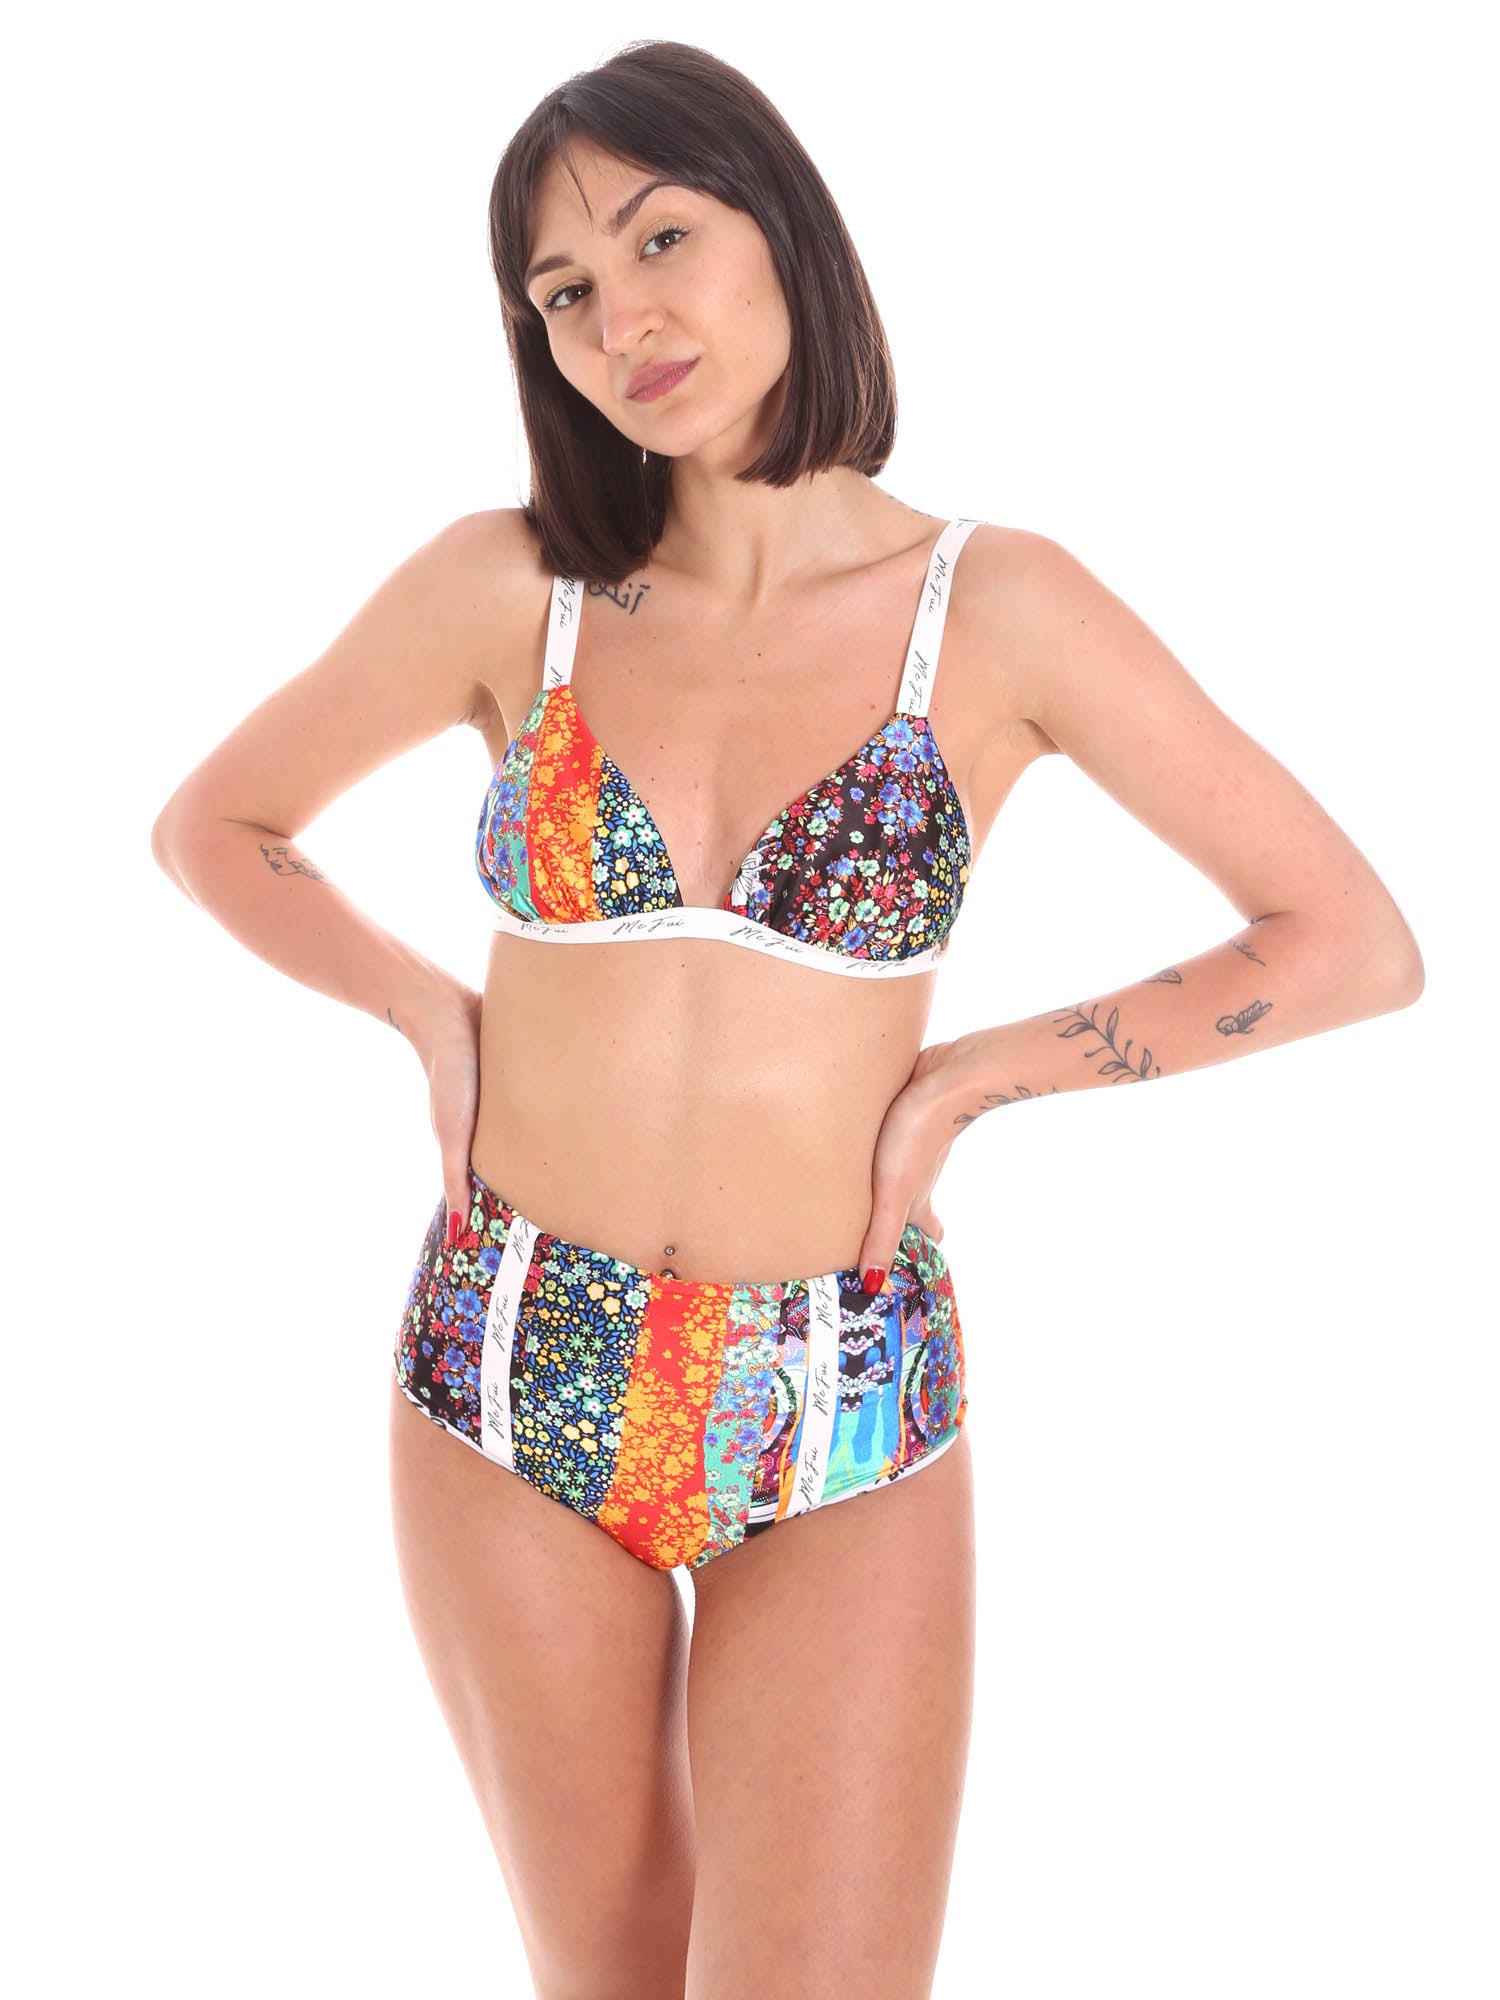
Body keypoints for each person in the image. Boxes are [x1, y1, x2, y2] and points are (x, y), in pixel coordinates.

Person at [149, 38, 1424, 2000]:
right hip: (508, 1359)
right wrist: (422, 1011)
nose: (621, 320)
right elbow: (214, 826)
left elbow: (1346, 939)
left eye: (661, 238)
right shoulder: (512, 589)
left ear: (782, 229)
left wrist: (976, 1079)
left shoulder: (996, 606)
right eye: (564, 290)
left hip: (837, 1384)